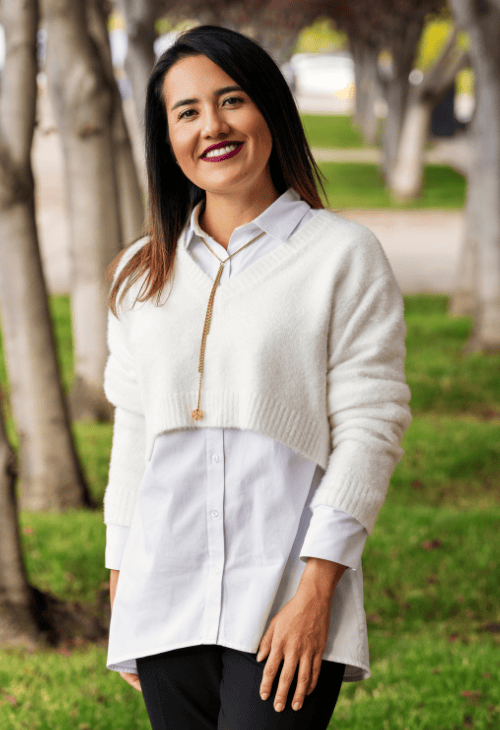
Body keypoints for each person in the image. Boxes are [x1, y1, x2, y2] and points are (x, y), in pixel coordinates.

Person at [103, 24, 412, 730]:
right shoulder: (138, 272)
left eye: (231, 100)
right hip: (165, 592)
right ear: (166, 137)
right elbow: (134, 430)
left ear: (270, 108)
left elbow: (371, 426)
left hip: (284, 590)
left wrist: (317, 589)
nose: (212, 126)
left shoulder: (342, 256)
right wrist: (123, 580)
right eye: (187, 112)